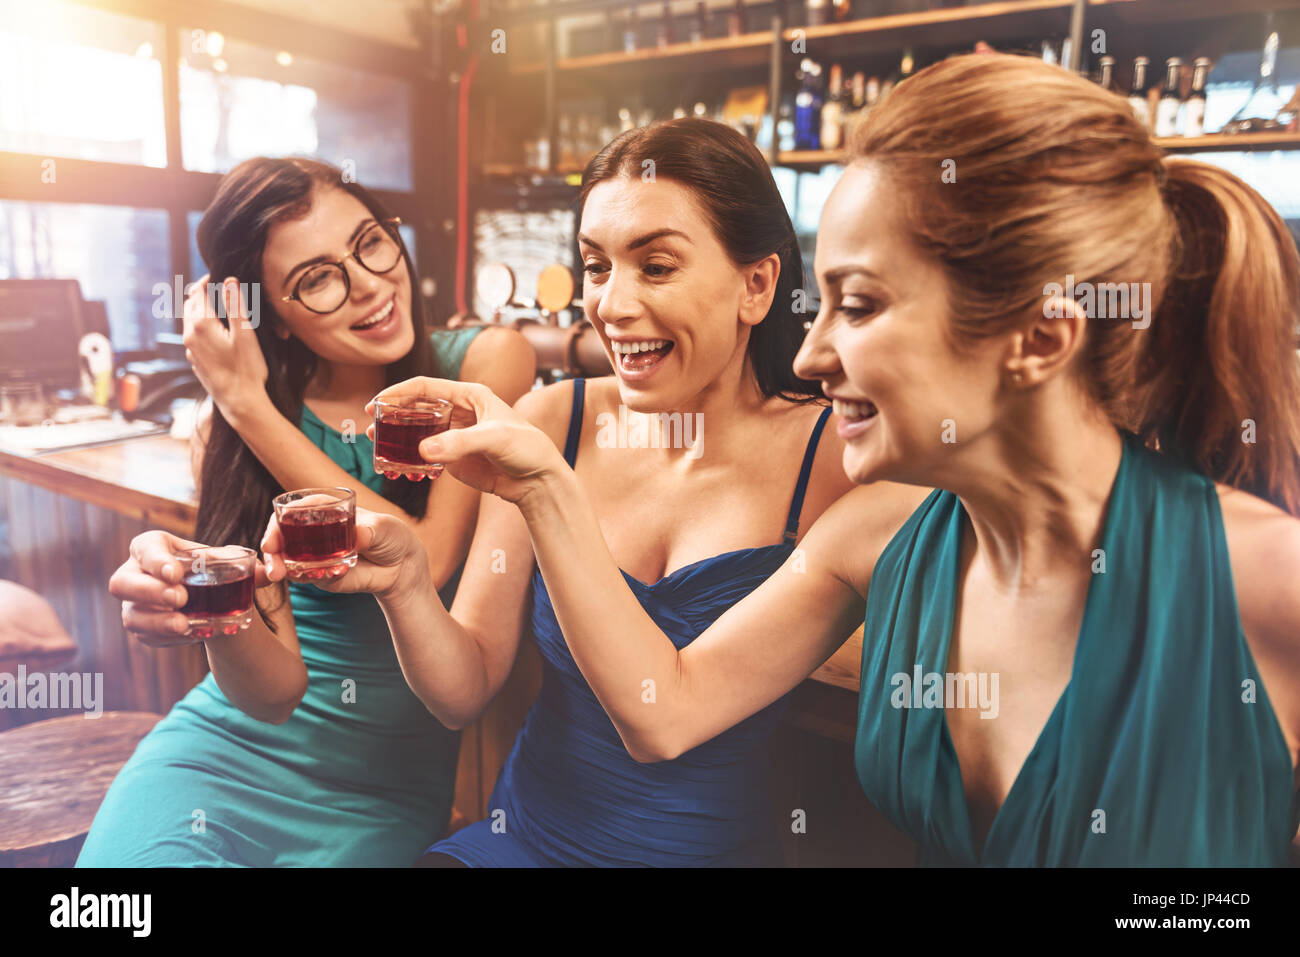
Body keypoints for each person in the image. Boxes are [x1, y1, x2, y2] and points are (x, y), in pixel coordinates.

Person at [329, 55, 1300, 866]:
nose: (808, 354)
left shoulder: (1265, 576)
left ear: (1039, 339)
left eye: (862, 305)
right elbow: (660, 711)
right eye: (596, 264)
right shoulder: (876, 538)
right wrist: (522, 495)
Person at [265, 118, 860, 866]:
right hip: (525, 841)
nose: (610, 305)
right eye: (597, 266)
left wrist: (547, 490)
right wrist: (406, 584)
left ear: (757, 284)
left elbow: (663, 719)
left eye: (657, 265)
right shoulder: (557, 418)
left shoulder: (835, 453)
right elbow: (466, 685)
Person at [77, 157, 535, 867]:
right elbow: (273, 693)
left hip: (377, 793)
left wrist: (246, 405)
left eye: (370, 242)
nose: (369, 286)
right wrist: (209, 611)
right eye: (316, 279)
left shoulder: (483, 366)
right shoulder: (225, 435)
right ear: (275, 320)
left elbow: (425, 551)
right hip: (220, 759)